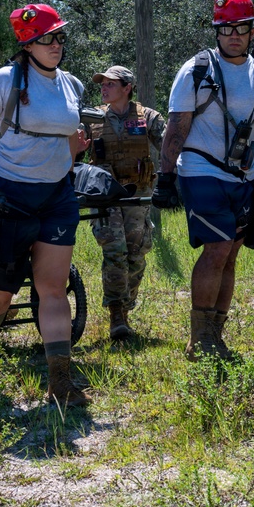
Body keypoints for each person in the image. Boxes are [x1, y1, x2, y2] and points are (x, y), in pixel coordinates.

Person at [152, 0, 254, 361]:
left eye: (242, 28)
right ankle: (199, 341)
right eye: (226, 28)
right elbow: (177, 126)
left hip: (244, 178)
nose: (234, 35)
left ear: (252, 31)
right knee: (217, 249)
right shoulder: (196, 71)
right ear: (217, 31)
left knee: (231, 253)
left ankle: (214, 337)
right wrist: (166, 177)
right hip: (200, 172)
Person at [0, 3, 89, 406]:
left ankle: (60, 381)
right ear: (27, 44)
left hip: (56, 198)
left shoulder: (72, 85)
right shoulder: (3, 81)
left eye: (59, 36)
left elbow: (67, 139)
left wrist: (71, 159)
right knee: (1, 291)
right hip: (7, 196)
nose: (55, 45)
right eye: (46, 38)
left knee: (53, 288)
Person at [83, 65, 165, 341]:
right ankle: (116, 314)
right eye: (102, 84)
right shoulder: (91, 118)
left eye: (110, 84)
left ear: (127, 87)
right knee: (114, 250)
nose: (104, 88)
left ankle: (125, 307)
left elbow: (170, 146)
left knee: (136, 253)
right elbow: (70, 150)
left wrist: (174, 179)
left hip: (138, 193)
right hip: (105, 195)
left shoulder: (148, 117)